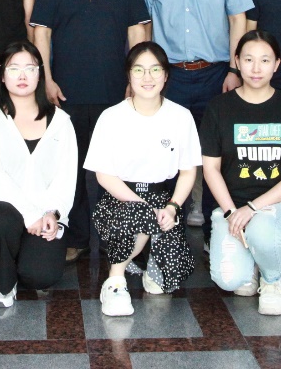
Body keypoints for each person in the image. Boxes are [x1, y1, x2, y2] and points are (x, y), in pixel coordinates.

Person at [31, 0, 151, 262]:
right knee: (71, 169)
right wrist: (46, 80)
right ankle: (78, 236)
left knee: (116, 170)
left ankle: (118, 236)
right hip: (65, 95)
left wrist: (135, 83)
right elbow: (41, 35)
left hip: (116, 95)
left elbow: (138, 36)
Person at [140, 0, 253, 231]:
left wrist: (234, 69)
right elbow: (145, 28)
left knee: (216, 151)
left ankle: (213, 228)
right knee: (166, 151)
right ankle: (166, 227)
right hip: (169, 77)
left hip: (217, 75)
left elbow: (238, 19)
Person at [84, 42, 200, 317]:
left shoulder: (181, 117)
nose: (147, 77)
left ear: (166, 75)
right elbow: (104, 175)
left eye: (155, 70)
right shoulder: (111, 117)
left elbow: (188, 171)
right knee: (139, 216)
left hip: (164, 200)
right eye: (139, 70)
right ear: (129, 75)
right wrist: (143, 206)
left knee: (164, 283)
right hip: (121, 200)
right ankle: (115, 280)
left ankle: (144, 259)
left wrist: (172, 207)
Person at [200, 30, 281, 316]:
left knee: (261, 229)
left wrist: (252, 208)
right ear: (237, 61)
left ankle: (272, 280)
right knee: (229, 280)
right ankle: (251, 262)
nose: (256, 68)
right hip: (232, 206)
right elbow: (211, 169)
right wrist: (229, 212)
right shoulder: (218, 108)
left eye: (265, 60)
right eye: (249, 59)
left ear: (277, 64)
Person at [0, 42, 77, 307]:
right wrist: (29, 215)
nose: (22, 76)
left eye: (30, 68)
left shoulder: (60, 121)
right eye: (13, 68)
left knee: (41, 275)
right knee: (1, 220)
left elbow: (66, 177)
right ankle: (5, 281)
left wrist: (53, 213)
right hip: (0, 207)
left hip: (45, 211)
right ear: (1, 74)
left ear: (40, 74)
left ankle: (19, 256)